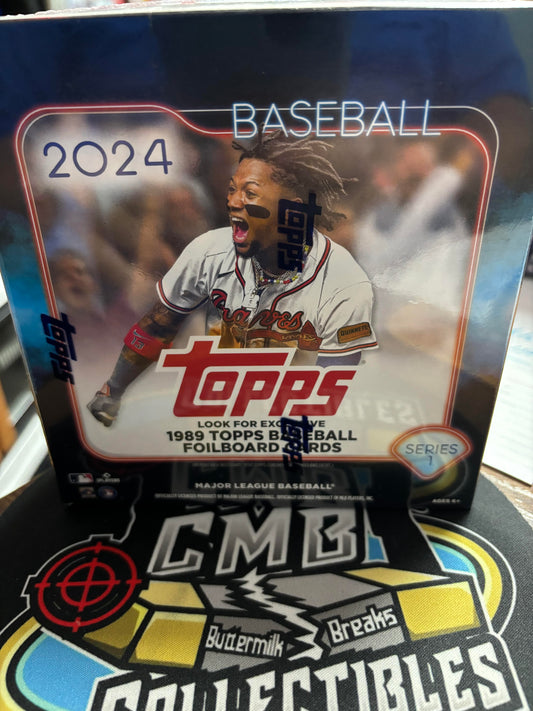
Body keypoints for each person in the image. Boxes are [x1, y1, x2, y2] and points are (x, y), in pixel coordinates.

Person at [88, 131, 377, 427]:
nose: (233, 202)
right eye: (232, 190)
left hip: (294, 418)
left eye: (250, 193)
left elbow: (338, 380)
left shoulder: (343, 278)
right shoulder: (208, 251)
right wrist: (114, 389)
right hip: (220, 408)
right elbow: (157, 325)